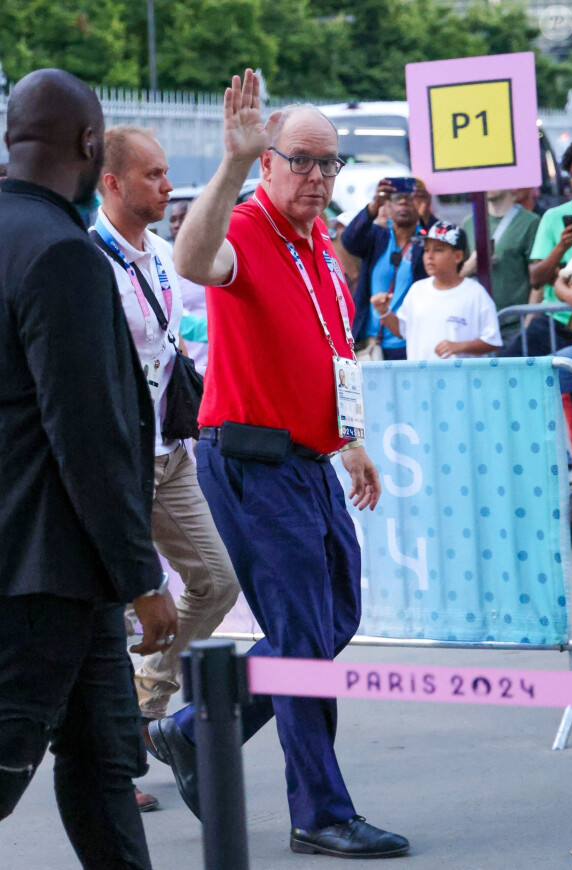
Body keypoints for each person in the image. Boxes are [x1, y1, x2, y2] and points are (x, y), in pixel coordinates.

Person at [150, 69, 410, 860]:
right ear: (268, 162)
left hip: (310, 460)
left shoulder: (320, 246)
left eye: (328, 163)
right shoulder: (250, 224)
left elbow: (331, 353)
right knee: (301, 637)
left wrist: (351, 440)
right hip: (252, 462)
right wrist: (230, 166)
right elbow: (196, 260)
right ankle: (321, 812)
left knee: (335, 619)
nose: (318, 177)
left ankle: (195, 727)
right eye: (301, 160)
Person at [0, 68, 177, 868]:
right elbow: (88, 432)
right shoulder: (62, 254)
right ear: (87, 145)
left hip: (64, 567)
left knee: (106, 762)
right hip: (44, 571)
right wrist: (143, 575)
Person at [95, 126, 239, 807]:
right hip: (115, 463)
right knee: (103, 617)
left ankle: (145, 705)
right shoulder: (87, 260)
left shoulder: (161, 254)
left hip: (171, 453)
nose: (166, 185)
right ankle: (113, 759)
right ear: (111, 183)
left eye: (167, 173)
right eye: (152, 175)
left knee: (214, 581)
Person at [371, 221, 502, 360]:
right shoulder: (417, 290)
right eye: (426, 250)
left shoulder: (475, 293)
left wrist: (460, 346)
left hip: (461, 379)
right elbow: (402, 330)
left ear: (458, 256)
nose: (429, 256)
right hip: (421, 379)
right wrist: (384, 311)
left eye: (438, 250)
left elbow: (492, 341)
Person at [499, 136, 572, 358]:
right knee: (508, 365)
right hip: (556, 320)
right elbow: (536, 278)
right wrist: (561, 247)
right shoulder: (553, 218)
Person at [341, 178, 432, 361]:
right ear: (388, 207)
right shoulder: (377, 237)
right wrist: (374, 206)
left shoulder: (427, 242)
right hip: (370, 343)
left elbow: (445, 254)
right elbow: (349, 240)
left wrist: (427, 217)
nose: (404, 202)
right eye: (397, 197)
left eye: (411, 198)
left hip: (409, 342)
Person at [461, 189, 540, 341]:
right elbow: (455, 278)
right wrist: (470, 267)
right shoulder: (469, 223)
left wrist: (528, 323)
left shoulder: (530, 222)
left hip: (515, 325)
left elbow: (538, 281)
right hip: (478, 326)